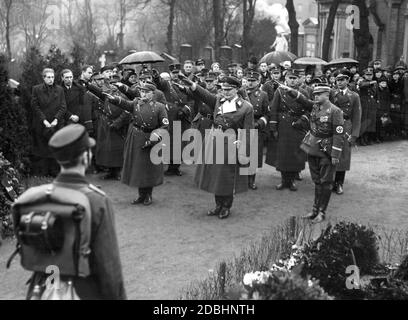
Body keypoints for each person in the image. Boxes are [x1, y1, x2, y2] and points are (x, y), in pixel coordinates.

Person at [23, 124, 127, 299]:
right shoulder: (97, 201)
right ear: (86, 157)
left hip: (43, 289)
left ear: (59, 159)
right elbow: (108, 266)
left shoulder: (39, 196)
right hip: (82, 291)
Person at [181, 75, 254, 219]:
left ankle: (226, 206)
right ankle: (217, 205)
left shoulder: (246, 107)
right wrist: (192, 85)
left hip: (230, 142)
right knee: (215, 175)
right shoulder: (218, 101)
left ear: (237, 90)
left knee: (226, 176)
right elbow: (204, 94)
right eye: (223, 89)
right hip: (214, 140)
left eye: (229, 90)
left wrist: (242, 149)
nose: (225, 92)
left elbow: (248, 131)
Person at [104, 82, 169, 205]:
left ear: (152, 94)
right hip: (137, 137)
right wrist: (115, 99)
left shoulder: (160, 107)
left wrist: (153, 139)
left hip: (151, 139)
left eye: (146, 91)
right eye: (141, 91)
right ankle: (141, 195)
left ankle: (148, 195)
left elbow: (165, 125)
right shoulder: (136, 103)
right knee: (138, 168)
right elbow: (125, 104)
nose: (143, 93)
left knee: (149, 169)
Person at [292, 84, 345, 223]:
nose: (315, 96)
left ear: (327, 95)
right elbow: (303, 100)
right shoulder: (315, 107)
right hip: (313, 149)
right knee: (317, 181)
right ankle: (315, 210)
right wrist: (290, 91)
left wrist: (335, 154)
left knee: (326, 182)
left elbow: (339, 134)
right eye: (315, 94)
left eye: (319, 94)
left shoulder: (335, 111)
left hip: (326, 151)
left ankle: (322, 212)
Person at [265, 69, 310, 191]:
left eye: (295, 78)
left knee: (295, 154)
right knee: (283, 154)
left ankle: (292, 181)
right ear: (286, 79)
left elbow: (309, 108)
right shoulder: (279, 91)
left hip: (298, 125)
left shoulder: (303, 92)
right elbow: (273, 109)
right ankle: (284, 180)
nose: (293, 80)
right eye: (290, 78)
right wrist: (273, 127)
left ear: (299, 80)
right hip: (283, 125)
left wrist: (303, 120)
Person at [86, 66, 130, 180]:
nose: (113, 86)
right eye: (111, 84)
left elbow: (127, 112)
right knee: (107, 150)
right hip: (105, 125)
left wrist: (117, 123)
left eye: (116, 84)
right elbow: (97, 94)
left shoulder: (123, 96)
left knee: (118, 149)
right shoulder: (107, 94)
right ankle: (110, 171)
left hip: (118, 126)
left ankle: (118, 171)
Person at [152, 64, 193, 176]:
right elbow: (160, 83)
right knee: (171, 142)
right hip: (171, 117)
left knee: (180, 142)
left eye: (177, 72)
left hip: (182, 118)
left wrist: (186, 109)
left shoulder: (185, 83)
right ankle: (171, 166)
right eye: (173, 73)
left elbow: (192, 100)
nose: (175, 75)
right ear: (170, 74)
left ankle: (176, 166)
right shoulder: (165, 86)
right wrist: (156, 77)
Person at [31, 68, 67, 176]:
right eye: (48, 77)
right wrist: (44, 120)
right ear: (44, 78)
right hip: (42, 123)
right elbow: (35, 106)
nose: (51, 79)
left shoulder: (59, 89)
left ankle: (55, 171)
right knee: (43, 148)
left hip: (56, 123)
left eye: (52, 77)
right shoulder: (36, 89)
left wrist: (56, 119)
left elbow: (63, 106)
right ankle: (43, 172)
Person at [331, 71, 362, 195]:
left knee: (343, 155)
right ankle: (329, 181)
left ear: (348, 81)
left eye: (342, 79)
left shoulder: (354, 96)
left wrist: (354, 134)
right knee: (330, 153)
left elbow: (357, 116)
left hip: (346, 127)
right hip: (332, 126)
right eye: (338, 80)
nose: (340, 82)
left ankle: (339, 183)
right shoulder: (331, 94)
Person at [245, 71, 269, 190]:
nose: (250, 83)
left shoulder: (263, 95)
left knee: (253, 155)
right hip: (242, 126)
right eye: (248, 80)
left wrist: (259, 123)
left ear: (258, 81)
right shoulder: (241, 94)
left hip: (255, 126)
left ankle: (251, 180)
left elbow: (267, 114)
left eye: (253, 81)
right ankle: (242, 179)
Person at [358, 69, 379, 145]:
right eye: (367, 75)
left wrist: (376, 102)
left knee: (371, 121)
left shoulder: (374, 83)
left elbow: (377, 94)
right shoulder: (362, 81)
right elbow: (362, 85)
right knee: (364, 121)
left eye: (370, 75)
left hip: (372, 104)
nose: (369, 76)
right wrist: (370, 82)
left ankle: (367, 139)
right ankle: (362, 139)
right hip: (364, 104)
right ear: (364, 76)